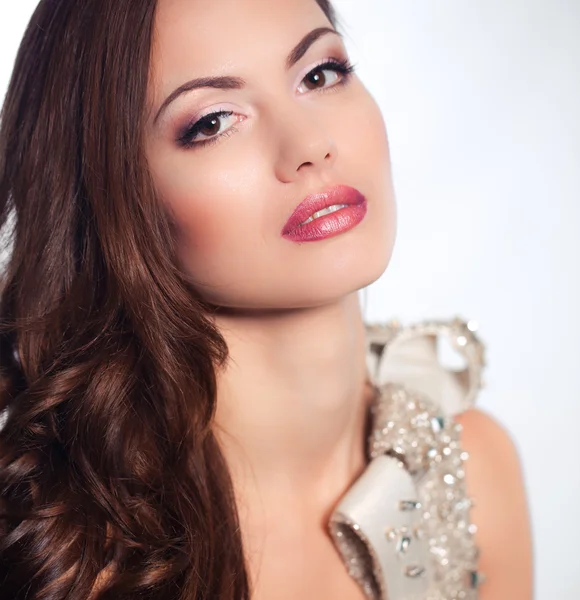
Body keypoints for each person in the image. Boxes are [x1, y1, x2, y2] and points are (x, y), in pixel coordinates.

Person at [0, 0, 533, 598]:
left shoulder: (472, 471)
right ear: (111, 197)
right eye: (213, 122)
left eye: (320, 74)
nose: (309, 144)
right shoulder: (76, 557)